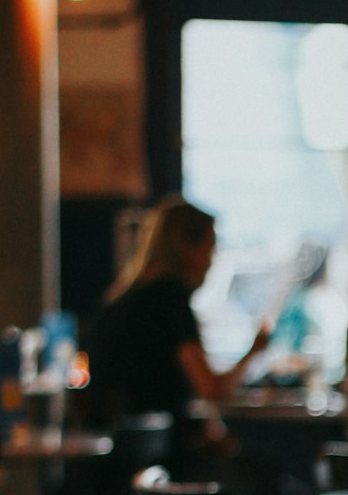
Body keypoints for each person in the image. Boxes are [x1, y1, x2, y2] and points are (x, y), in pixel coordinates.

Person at [86, 195, 269, 469]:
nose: (211, 262)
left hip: (116, 463)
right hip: (162, 464)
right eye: (210, 249)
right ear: (186, 248)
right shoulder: (169, 300)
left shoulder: (117, 302)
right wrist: (254, 351)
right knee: (272, 481)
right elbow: (211, 389)